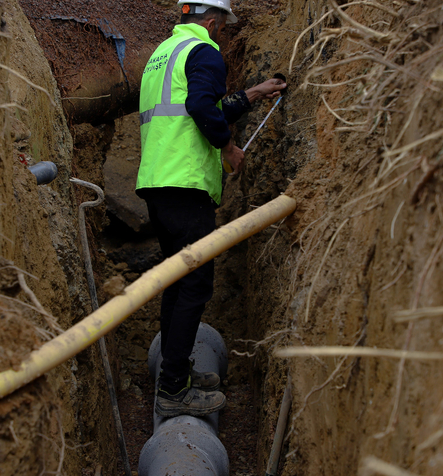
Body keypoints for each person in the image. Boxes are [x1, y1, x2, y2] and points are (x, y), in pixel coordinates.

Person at [135, 0, 286, 417]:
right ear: (210, 20)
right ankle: (173, 391)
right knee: (196, 284)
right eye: (221, 25)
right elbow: (203, 108)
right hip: (185, 181)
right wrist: (229, 147)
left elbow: (193, 106)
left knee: (178, 281)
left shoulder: (161, 56)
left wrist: (253, 94)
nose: (220, 32)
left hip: (159, 181)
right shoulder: (204, 51)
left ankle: (176, 374)